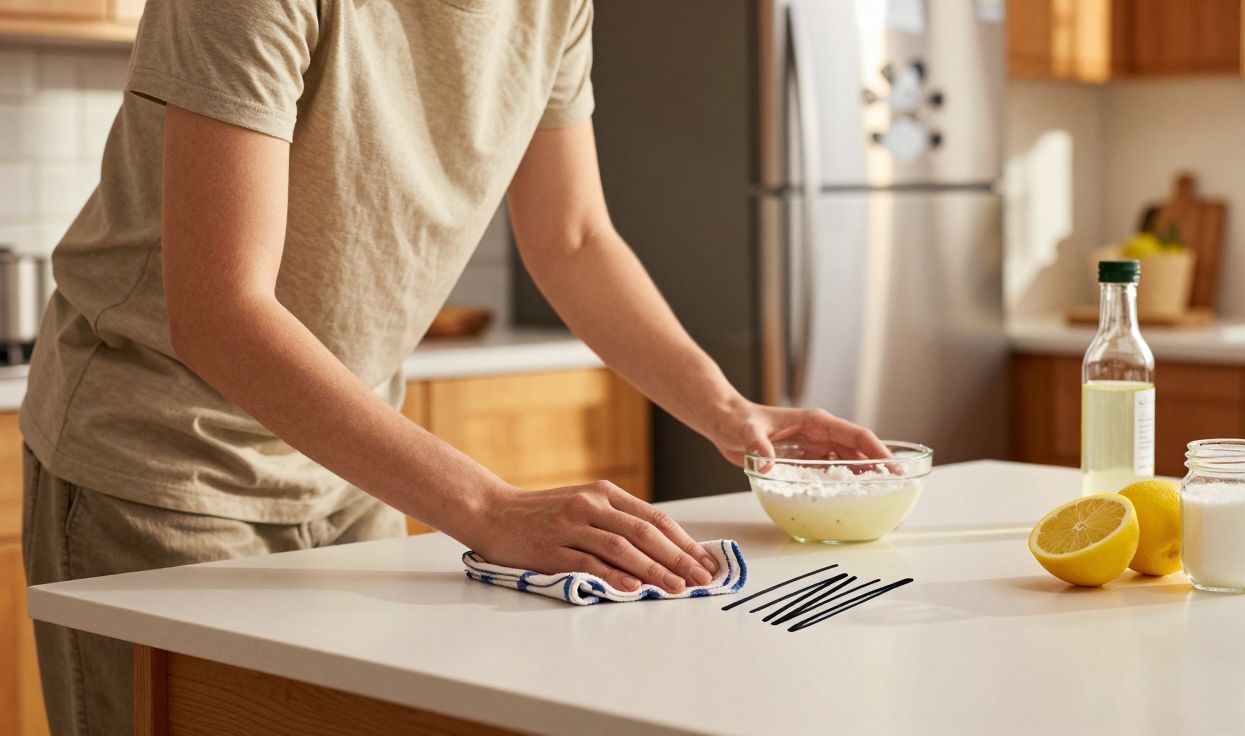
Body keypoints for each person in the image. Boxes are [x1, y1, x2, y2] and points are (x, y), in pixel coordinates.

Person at [20, 2, 890, 734]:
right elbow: (220, 313)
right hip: (160, 468)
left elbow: (574, 238)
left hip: (348, 475)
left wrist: (730, 411)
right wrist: (488, 507)